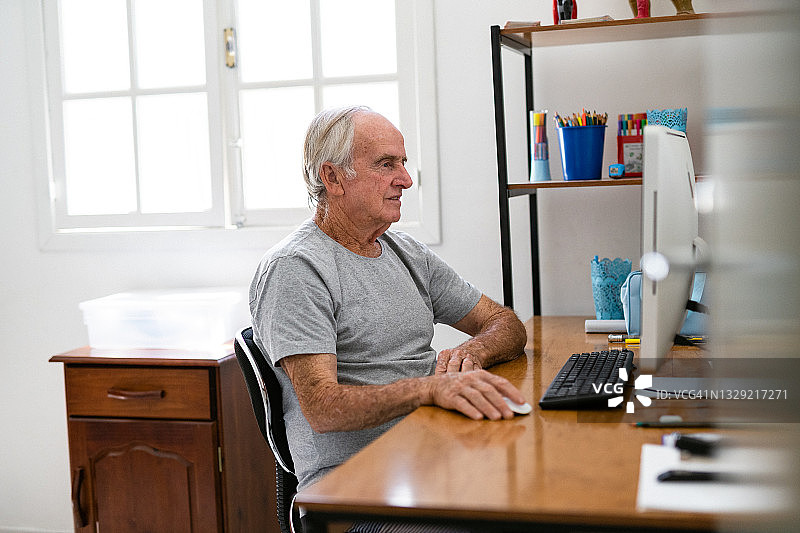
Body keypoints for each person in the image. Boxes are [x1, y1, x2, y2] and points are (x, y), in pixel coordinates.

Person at [249, 105, 527, 492]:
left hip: (429, 452)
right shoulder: (295, 268)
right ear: (333, 177)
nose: (406, 180)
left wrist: (474, 352)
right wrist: (429, 388)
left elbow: (506, 324)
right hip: (355, 483)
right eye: (386, 164)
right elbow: (322, 408)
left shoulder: (406, 252)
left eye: (403, 162)